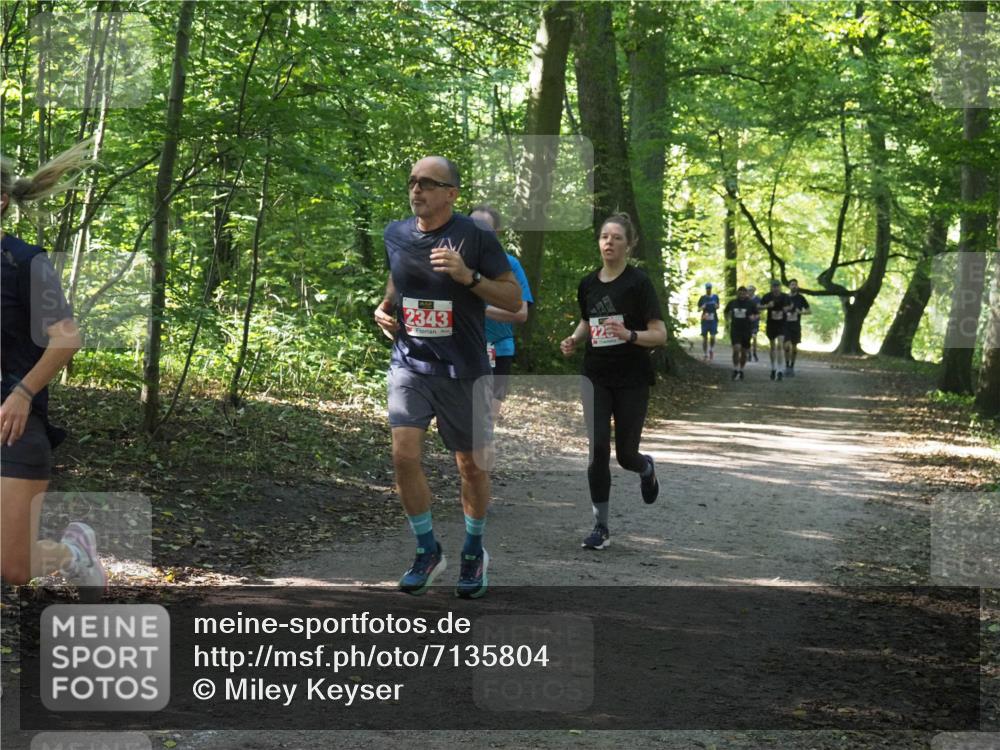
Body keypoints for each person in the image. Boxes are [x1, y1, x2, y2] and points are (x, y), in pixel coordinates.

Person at [373, 156, 520, 599]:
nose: (416, 190)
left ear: (451, 193)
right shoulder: (395, 234)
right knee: (403, 456)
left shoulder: (474, 238)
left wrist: (468, 276)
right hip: (410, 363)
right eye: (412, 181)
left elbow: (513, 299)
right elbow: (397, 283)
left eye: (428, 184)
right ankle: (427, 549)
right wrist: (385, 308)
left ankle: (474, 551)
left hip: (464, 369)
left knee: (471, 466)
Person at [1, 142, 105, 590]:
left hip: (11, 424)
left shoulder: (26, 263)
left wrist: (23, 393)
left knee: (13, 570)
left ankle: (75, 552)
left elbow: (66, 339)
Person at [559, 213, 666, 551]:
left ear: (629, 244)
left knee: (625, 455)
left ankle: (645, 467)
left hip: (632, 377)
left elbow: (660, 335)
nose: (608, 242)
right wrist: (575, 339)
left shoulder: (638, 283)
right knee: (597, 450)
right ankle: (600, 527)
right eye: (604, 236)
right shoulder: (588, 283)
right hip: (596, 376)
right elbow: (587, 321)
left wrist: (630, 334)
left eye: (616, 237)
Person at [469, 205, 533, 421]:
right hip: (463, 348)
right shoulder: (455, 263)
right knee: (462, 419)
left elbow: (521, 314)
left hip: (498, 350)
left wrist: (480, 310)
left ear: (497, 234)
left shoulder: (510, 265)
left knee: (487, 420)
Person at [724, 286, 758, 381]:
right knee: (736, 349)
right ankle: (735, 369)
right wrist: (727, 320)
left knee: (744, 353)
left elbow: (757, 314)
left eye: (744, 293)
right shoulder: (732, 303)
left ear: (746, 294)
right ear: (737, 293)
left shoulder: (750, 303)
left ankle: (741, 370)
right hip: (735, 329)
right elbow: (726, 312)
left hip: (747, 330)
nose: (742, 295)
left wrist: (753, 318)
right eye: (740, 293)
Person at [759, 280, 789, 381]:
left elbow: (791, 306)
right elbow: (759, 307)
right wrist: (767, 306)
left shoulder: (785, 297)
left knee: (780, 345)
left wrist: (786, 309)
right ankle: (773, 368)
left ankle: (780, 370)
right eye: (774, 286)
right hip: (771, 324)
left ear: (780, 287)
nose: (776, 288)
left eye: (777, 286)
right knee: (772, 346)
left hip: (782, 324)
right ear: (771, 287)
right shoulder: (767, 296)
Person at [782, 279, 811, 377]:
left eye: (795, 285)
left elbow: (809, 311)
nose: (794, 286)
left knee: (794, 348)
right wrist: (786, 310)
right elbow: (779, 309)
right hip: (785, 325)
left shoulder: (801, 298)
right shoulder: (785, 298)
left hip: (796, 325)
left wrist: (800, 312)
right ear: (789, 286)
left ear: (797, 286)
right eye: (792, 284)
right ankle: (786, 366)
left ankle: (791, 367)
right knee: (786, 346)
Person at [696, 282, 719, 360]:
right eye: (707, 288)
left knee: (713, 336)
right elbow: (698, 309)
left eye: (709, 288)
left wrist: (716, 306)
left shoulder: (715, 297)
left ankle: (711, 349)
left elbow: (718, 306)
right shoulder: (702, 298)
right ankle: (705, 354)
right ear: (705, 289)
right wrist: (702, 307)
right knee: (705, 338)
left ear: (711, 289)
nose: (708, 289)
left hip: (713, 319)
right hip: (705, 319)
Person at [747, 284, 761, 362]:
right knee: (748, 338)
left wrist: (756, 316)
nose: (750, 292)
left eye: (751, 290)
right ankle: (749, 354)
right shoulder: (745, 299)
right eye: (748, 290)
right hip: (747, 321)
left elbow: (760, 310)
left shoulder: (758, 299)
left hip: (755, 321)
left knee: (754, 337)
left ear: (754, 291)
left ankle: (754, 353)